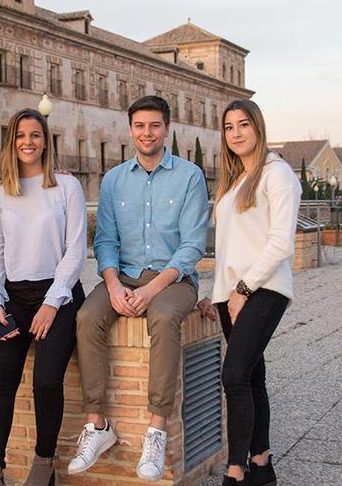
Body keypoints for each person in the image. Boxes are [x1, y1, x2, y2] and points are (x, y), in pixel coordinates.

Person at [69, 96, 209, 482]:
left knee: (163, 318)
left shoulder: (189, 176)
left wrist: (151, 292)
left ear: (167, 129)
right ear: (130, 130)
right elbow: (106, 241)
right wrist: (112, 284)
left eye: (155, 126)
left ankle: (157, 428)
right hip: (124, 275)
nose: (147, 133)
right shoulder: (114, 180)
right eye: (140, 126)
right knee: (86, 317)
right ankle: (98, 426)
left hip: (173, 280)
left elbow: (192, 245)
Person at [0, 109, 87, 486]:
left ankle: (44, 464)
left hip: (58, 295)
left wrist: (51, 303)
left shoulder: (66, 187)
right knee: (1, 381)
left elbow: (75, 252)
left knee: (45, 380)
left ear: (46, 141)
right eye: (21, 135)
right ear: (12, 142)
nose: (28, 141)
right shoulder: (0, 192)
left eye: (36, 135)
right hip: (12, 297)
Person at [205, 99, 301, 486]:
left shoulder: (277, 174)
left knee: (234, 376)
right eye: (229, 127)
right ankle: (262, 463)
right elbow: (229, 246)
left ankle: (236, 470)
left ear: (258, 128)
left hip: (262, 290)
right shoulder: (235, 180)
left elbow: (281, 243)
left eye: (243, 124)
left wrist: (243, 289)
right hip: (231, 293)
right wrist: (217, 293)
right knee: (252, 375)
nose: (236, 133)